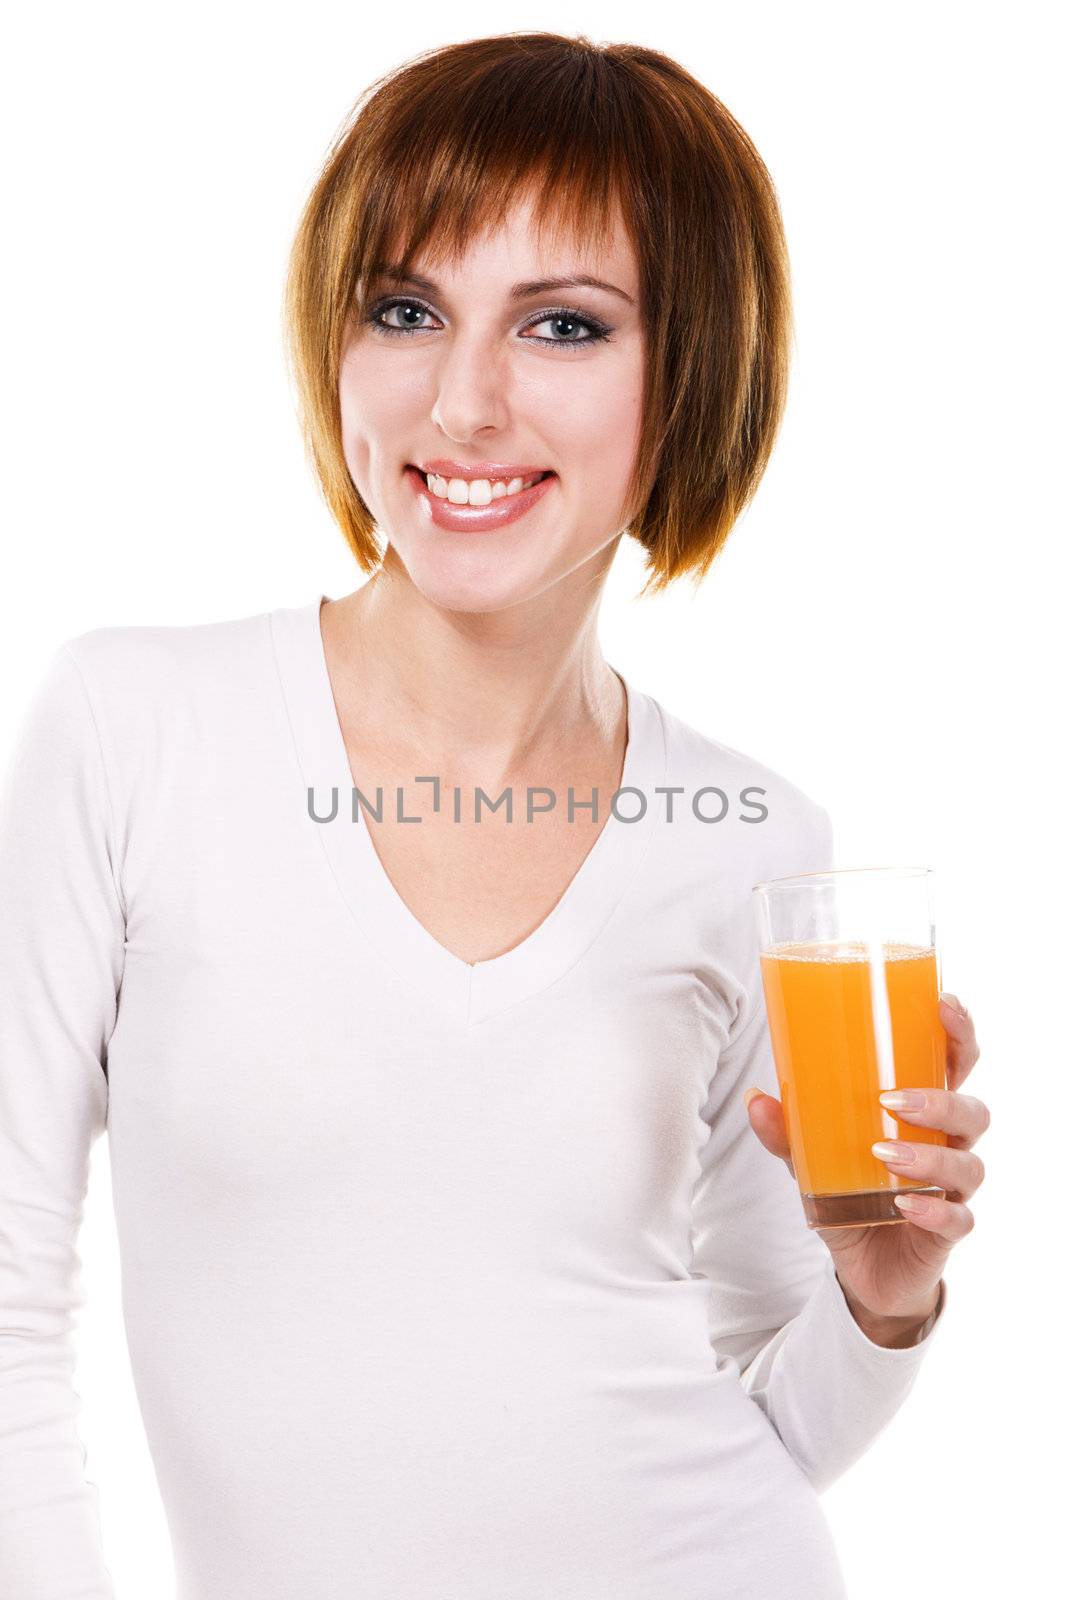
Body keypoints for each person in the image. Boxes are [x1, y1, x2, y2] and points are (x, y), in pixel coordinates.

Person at [0, 31, 989, 1600]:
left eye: (563, 325)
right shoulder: (132, 729)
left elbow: (776, 1420)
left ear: (691, 377)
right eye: (406, 309)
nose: (462, 402)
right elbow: (8, 1312)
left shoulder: (753, 837)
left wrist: (880, 1298)